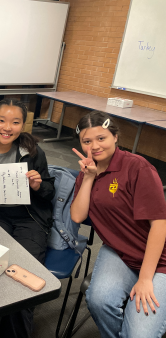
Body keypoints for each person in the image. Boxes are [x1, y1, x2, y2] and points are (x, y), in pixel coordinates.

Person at [70, 111, 166, 338]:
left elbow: (159, 226)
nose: (94, 146)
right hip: (121, 251)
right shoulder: (87, 171)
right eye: (87, 141)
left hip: (160, 260)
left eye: (101, 138)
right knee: (99, 301)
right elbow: (77, 216)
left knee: (139, 334)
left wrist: (145, 279)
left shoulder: (137, 167)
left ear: (115, 137)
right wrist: (89, 177)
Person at [0, 99, 55, 338]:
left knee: (22, 276)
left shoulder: (33, 152)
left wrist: (38, 185)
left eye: (15, 122)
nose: (7, 127)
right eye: (1, 120)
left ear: (23, 125)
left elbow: (49, 194)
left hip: (28, 218)